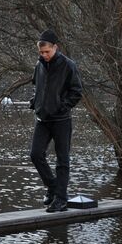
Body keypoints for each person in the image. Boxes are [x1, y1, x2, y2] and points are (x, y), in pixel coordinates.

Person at [29, 29, 83, 212]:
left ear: (55, 48)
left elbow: (76, 92)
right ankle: (52, 187)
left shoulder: (68, 65)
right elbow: (37, 87)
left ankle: (61, 199)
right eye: (41, 53)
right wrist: (35, 102)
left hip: (61, 119)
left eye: (47, 52)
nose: (44, 55)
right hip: (42, 118)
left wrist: (62, 105)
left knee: (62, 160)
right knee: (35, 155)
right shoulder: (39, 65)